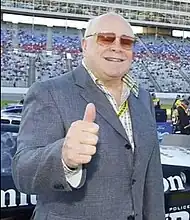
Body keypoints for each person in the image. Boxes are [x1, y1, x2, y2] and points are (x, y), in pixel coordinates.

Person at [12, 13, 165, 220]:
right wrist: (63, 157)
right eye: (106, 38)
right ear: (85, 45)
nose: (117, 46)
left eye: (126, 42)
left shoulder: (142, 97)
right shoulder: (49, 92)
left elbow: (152, 179)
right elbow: (22, 173)